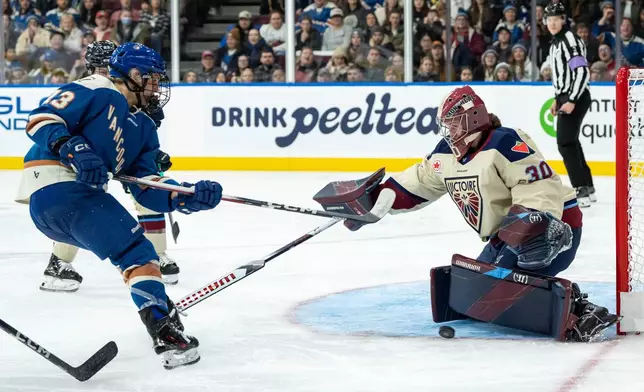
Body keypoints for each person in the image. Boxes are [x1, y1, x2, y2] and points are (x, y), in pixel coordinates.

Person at [321, 85, 617, 342]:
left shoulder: (506, 141)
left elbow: (538, 184)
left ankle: (583, 313)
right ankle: (523, 274)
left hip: (553, 226)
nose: (448, 130)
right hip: (508, 233)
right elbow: (418, 182)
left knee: (502, 287)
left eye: (452, 123)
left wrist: (537, 223)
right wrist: (376, 202)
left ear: (471, 118)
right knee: (477, 295)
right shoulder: (445, 153)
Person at [14, 43, 222, 369]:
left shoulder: (144, 126)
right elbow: (40, 118)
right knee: (137, 253)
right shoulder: (99, 88)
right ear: (134, 75)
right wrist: (72, 147)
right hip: (58, 189)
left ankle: (158, 308)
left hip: (66, 208)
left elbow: (145, 186)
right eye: (153, 78)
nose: (157, 86)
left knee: (135, 254)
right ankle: (164, 333)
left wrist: (187, 195)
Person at [38, 41, 182, 293]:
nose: (107, 72)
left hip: (108, 164)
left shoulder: (134, 94)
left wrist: (150, 157)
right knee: (79, 204)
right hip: (72, 164)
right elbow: (50, 121)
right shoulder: (91, 90)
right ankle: (59, 262)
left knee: (146, 193)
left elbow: (135, 138)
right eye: (101, 67)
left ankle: (156, 254)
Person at [545, 2, 595, 207]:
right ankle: (587, 186)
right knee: (571, 142)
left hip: (577, 96)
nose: (553, 23)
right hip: (568, 96)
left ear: (564, 20)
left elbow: (582, 72)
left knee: (565, 142)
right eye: (549, 19)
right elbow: (562, 76)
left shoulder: (569, 40)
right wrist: (558, 100)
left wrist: (572, 99)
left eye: (556, 19)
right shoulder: (556, 43)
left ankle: (580, 189)